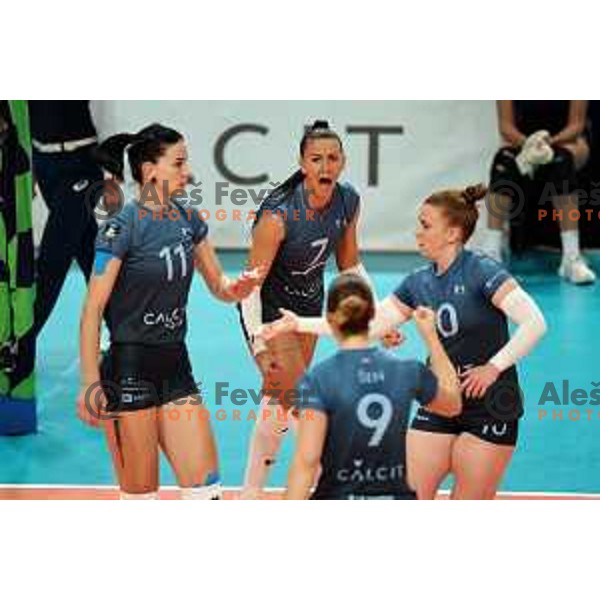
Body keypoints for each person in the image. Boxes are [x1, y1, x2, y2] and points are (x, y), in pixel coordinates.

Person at [263, 184, 547, 499]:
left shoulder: (482, 271)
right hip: (441, 400)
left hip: (491, 406)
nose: (417, 233)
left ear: (452, 234)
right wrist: (299, 323)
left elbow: (535, 323)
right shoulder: (418, 281)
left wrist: (493, 368)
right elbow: (369, 325)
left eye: (425, 225)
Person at [76, 124, 262, 500]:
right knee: (141, 499)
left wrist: (236, 289)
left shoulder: (188, 219)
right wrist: (88, 383)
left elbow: (218, 286)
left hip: (175, 365)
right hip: (129, 371)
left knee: (206, 494)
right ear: (149, 171)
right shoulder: (121, 227)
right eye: (178, 163)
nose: (188, 172)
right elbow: (93, 310)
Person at [238, 120, 395, 499]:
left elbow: (350, 265)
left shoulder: (348, 200)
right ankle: (334, 479)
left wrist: (377, 317)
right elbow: (249, 290)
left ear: (343, 162)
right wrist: (259, 343)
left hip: (308, 305)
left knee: (278, 398)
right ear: (302, 164)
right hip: (271, 310)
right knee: (300, 399)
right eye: (316, 159)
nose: (325, 167)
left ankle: (250, 494)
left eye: (333, 158)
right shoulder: (277, 216)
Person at [285, 273, 461, 500]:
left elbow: (306, 462)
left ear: (329, 319)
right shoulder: (408, 371)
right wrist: (431, 337)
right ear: (372, 316)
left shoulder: (317, 379)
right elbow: (453, 405)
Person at [484, 100, 595, 284]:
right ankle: (491, 256)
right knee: (503, 161)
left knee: (561, 162)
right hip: (522, 141)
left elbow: (576, 125)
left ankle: (571, 258)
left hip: (566, 141)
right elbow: (505, 127)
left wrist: (548, 144)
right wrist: (530, 145)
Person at [29, 101, 104, 334]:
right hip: (44, 163)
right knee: (87, 252)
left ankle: (21, 343)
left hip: (83, 162)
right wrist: (28, 165)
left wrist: (111, 166)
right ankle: (124, 333)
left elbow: (105, 108)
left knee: (53, 258)